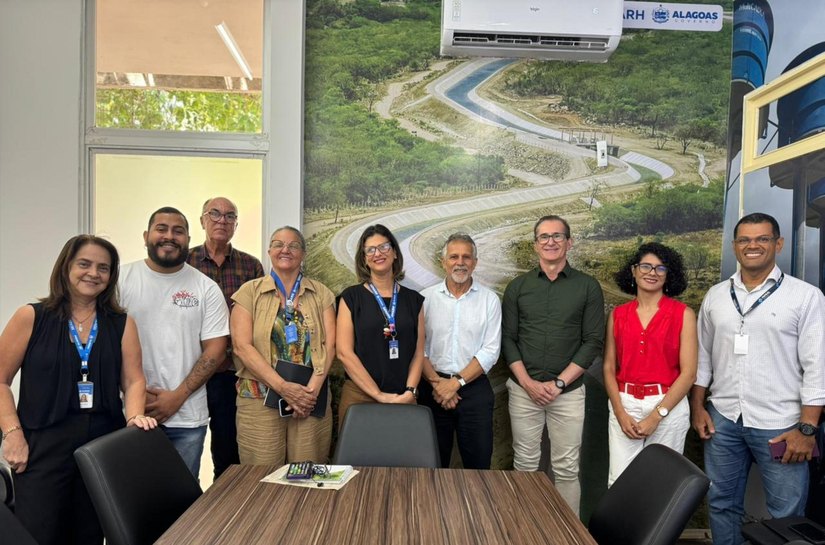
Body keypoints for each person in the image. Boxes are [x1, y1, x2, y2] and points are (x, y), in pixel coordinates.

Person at [0, 235, 156, 545]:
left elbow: (134, 380)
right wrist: (12, 433)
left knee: (88, 532)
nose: (93, 273)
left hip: (101, 446)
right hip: (42, 445)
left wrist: (134, 417)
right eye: (84, 264)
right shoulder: (31, 317)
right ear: (66, 267)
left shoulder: (121, 323)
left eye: (103, 268)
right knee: (36, 532)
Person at [691, 212, 825, 545]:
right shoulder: (716, 296)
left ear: (778, 244)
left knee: (787, 515)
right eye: (745, 240)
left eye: (762, 239)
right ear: (735, 246)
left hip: (783, 425)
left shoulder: (806, 297)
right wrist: (698, 407)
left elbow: (817, 366)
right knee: (722, 505)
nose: (753, 246)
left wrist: (807, 429)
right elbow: (703, 358)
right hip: (723, 421)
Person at [501, 215, 604, 515]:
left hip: (569, 393)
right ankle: (524, 530)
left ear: (569, 243)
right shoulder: (517, 288)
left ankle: (566, 534)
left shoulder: (587, 287)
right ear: (535, 245)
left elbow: (593, 341)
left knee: (567, 468)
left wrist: (559, 384)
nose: (550, 242)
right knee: (525, 464)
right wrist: (529, 384)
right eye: (544, 236)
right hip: (524, 391)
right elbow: (508, 340)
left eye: (557, 236)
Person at [119, 207, 229, 477]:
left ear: (188, 240)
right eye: (161, 229)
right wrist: (133, 395)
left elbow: (215, 350)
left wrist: (176, 398)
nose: (169, 236)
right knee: (129, 504)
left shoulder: (205, 288)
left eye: (178, 231)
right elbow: (104, 345)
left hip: (187, 418)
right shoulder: (119, 281)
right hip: (126, 414)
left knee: (180, 506)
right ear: (146, 235)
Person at [230, 226, 335, 464]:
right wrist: (284, 388)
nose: (285, 250)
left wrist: (310, 394)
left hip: (310, 400)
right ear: (269, 251)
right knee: (261, 477)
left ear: (303, 254)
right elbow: (241, 347)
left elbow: (330, 346)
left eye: (293, 245)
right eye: (278, 244)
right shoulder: (249, 293)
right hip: (259, 398)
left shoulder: (322, 294)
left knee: (308, 476)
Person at [603, 242, 697, 486]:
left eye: (660, 268)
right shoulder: (618, 314)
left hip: (668, 406)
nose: (651, 273)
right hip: (626, 404)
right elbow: (609, 368)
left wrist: (657, 415)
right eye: (645, 266)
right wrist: (620, 412)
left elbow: (688, 374)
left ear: (668, 275)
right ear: (634, 271)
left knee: (662, 484)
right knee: (620, 483)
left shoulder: (683, 314)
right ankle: (622, 527)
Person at [187, 197, 263, 479]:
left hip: (230, 373)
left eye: (230, 216)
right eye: (215, 214)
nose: (222, 221)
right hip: (188, 370)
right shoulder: (185, 261)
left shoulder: (250, 266)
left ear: (236, 224)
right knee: (183, 450)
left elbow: (259, 319)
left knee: (228, 453)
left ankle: (225, 512)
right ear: (202, 220)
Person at [420, 233, 501, 469]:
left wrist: (454, 384)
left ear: (475, 263)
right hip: (432, 389)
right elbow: (419, 348)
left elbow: (491, 350)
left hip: (473, 389)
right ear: (443, 262)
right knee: (430, 465)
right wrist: (438, 385)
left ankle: (476, 507)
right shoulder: (425, 299)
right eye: (454, 256)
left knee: (478, 467)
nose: (460, 262)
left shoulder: (490, 300)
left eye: (466, 257)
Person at [336, 224, 425, 426]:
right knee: (357, 457)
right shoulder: (351, 298)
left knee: (403, 457)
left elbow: (419, 353)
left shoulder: (414, 300)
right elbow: (343, 352)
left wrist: (410, 391)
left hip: (404, 396)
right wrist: (378, 394)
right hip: (360, 396)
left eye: (384, 247)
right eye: (370, 250)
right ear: (364, 259)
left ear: (394, 252)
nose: (378, 253)